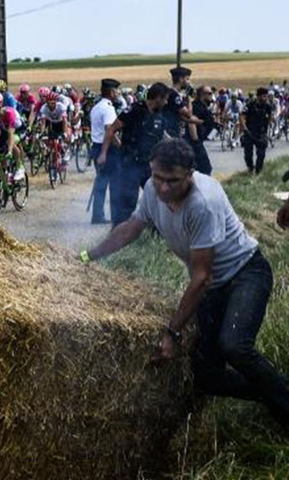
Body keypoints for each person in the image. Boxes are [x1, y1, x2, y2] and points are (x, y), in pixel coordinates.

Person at [82, 138, 289, 428]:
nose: (164, 188)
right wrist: (87, 256)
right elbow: (130, 228)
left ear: (190, 174)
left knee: (234, 346)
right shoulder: (153, 191)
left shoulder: (203, 202)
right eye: (157, 178)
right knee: (208, 376)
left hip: (246, 273)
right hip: (214, 284)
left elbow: (202, 277)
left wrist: (172, 333)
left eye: (173, 181)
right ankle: (275, 393)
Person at [97, 82, 170, 226]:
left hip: (150, 165)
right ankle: (119, 235)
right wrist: (103, 154)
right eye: (165, 99)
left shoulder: (158, 115)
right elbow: (111, 130)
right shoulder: (134, 110)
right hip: (130, 164)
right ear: (158, 98)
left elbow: (163, 136)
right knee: (127, 203)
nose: (166, 102)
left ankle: (155, 234)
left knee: (159, 198)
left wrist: (177, 147)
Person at [88, 78, 121, 225]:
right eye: (117, 90)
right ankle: (115, 216)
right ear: (111, 91)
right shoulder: (108, 108)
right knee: (114, 182)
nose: (119, 93)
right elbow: (110, 130)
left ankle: (98, 215)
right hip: (107, 149)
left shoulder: (96, 107)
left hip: (96, 147)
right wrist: (120, 145)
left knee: (101, 182)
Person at [240, 88, 274, 175]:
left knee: (261, 154)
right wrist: (244, 127)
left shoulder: (268, 106)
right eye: (264, 96)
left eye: (266, 96)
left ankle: (258, 171)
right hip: (249, 132)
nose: (266, 98)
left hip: (261, 133)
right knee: (248, 154)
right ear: (258, 96)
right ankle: (250, 168)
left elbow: (271, 116)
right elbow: (242, 116)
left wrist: (269, 123)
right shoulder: (249, 105)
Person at [188, 86, 217, 175]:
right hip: (194, 142)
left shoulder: (203, 107)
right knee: (205, 168)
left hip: (199, 140)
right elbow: (191, 122)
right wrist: (195, 140)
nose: (211, 95)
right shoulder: (196, 107)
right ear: (202, 95)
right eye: (209, 93)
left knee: (200, 168)